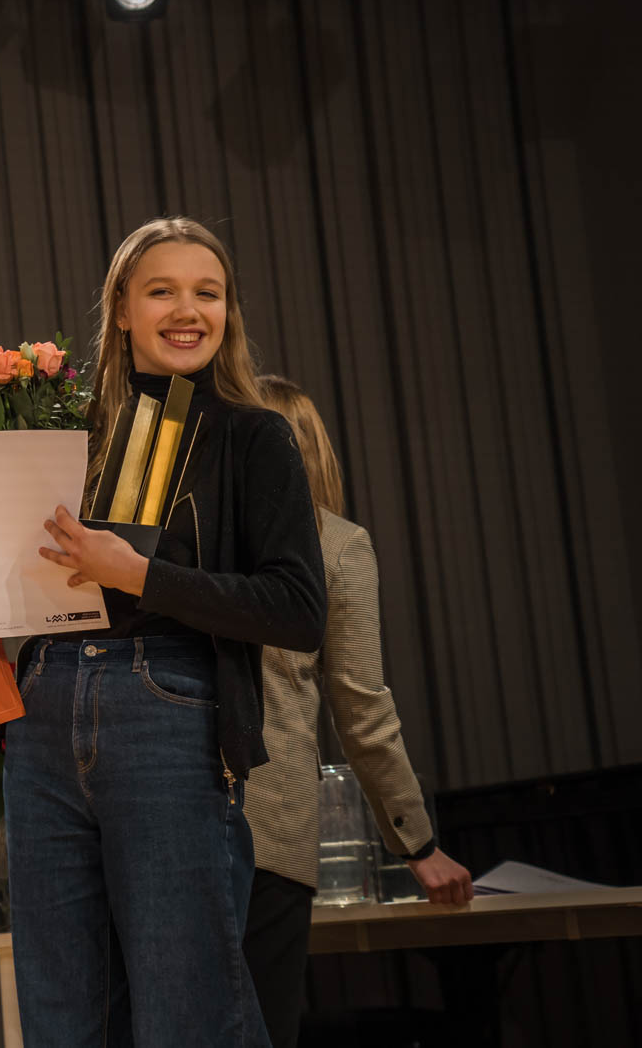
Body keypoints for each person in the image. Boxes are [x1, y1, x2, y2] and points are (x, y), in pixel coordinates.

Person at [0, 217, 326, 1046]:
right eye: (162, 291)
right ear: (121, 307)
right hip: (45, 708)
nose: (187, 310)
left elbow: (297, 606)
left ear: (229, 311)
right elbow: (41, 575)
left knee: (187, 1008)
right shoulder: (73, 431)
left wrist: (141, 575)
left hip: (169, 708)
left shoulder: (254, 435)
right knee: (62, 1014)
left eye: (207, 293)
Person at [243, 375, 474, 1048]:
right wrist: (418, 843)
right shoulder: (337, 544)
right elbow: (362, 707)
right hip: (273, 825)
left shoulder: (192, 539)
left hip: (175, 818)